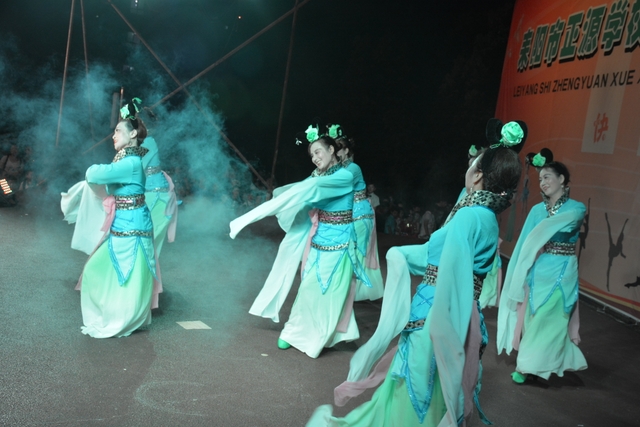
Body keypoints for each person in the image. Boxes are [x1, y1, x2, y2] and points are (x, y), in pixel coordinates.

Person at [306, 121, 525, 427]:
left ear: (477, 175)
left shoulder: (469, 217)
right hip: (456, 313)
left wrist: (440, 326)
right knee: (431, 390)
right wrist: (402, 255)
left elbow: (449, 275)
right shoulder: (485, 215)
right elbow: (439, 258)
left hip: (438, 313)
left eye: (472, 164)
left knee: (416, 388)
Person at [230, 123, 365, 358]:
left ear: (332, 150)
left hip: (342, 244)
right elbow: (301, 190)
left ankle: (320, 337)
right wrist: (275, 200)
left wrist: (254, 214)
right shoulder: (318, 176)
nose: (314, 158)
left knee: (331, 293)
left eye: (318, 152)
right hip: (319, 240)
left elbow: (309, 188)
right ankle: (293, 331)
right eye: (312, 155)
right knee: (308, 288)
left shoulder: (345, 176)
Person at [496, 148, 587, 383]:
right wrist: (519, 270)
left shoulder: (576, 209)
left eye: (547, 177)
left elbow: (564, 225)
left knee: (553, 317)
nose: (543, 183)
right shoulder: (537, 210)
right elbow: (526, 242)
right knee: (533, 316)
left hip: (564, 269)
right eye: (540, 179)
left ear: (562, 179)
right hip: (539, 268)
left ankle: (528, 367)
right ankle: (537, 365)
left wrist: (543, 231)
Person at [77, 98, 158, 338]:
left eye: (118, 131)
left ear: (132, 134)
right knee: (103, 269)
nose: (113, 136)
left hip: (133, 224)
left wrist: (99, 185)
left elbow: (94, 173)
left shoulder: (131, 162)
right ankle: (118, 314)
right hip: (126, 222)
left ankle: (123, 318)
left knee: (127, 273)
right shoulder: (127, 160)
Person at [330, 124, 384, 302]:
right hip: (351, 214)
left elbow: (338, 184)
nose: (335, 153)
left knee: (355, 250)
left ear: (346, 151)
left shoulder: (353, 168)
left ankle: (354, 290)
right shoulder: (339, 169)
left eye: (338, 149)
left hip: (361, 214)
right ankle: (356, 290)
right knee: (351, 250)